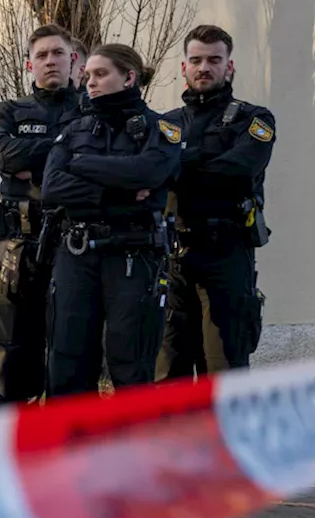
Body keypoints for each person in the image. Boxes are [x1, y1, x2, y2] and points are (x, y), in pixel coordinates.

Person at [42, 43, 182, 396]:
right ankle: (70, 448)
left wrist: (80, 165)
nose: (90, 82)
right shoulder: (74, 129)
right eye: (88, 75)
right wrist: (113, 193)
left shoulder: (161, 129)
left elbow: (147, 172)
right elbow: (52, 186)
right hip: (76, 254)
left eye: (101, 74)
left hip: (133, 254)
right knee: (68, 360)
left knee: (130, 361)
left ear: (129, 77)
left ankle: (130, 449)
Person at [156, 24, 275, 379]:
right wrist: (205, 160)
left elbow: (240, 169)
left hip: (226, 253)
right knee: (168, 372)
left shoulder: (254, 118)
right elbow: (149, 173)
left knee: (224, 372)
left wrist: (179, 162)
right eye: (196, 60)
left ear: (229, 66)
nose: (204, 67)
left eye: (214, 60)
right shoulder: (164, 124)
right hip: (173, 257)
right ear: (183, 67)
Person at [0, 23, 83, 407]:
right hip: (16, 251)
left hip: (73, 247)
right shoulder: (8, 111)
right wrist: (65, 152)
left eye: (58, 53)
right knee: (6, 353)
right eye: (41, 55)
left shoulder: (91, 111)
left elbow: (99, 162)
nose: (50, 61)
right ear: (29, 65)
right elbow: (1, 154)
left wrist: (31, 159)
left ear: (73, 60)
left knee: (69, 353)